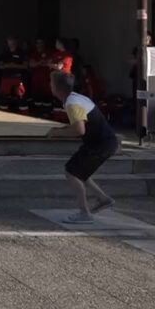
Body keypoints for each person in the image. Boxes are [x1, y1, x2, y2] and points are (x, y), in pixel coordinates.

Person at [47, 71, 118, 223]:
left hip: (100, 144)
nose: (49, 85)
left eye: (51, 83)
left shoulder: (72, 103)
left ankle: (84, 213)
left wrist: (57, 133)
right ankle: (103, 198)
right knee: (79, 172)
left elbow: (79, 130)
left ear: (57, 88)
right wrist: (61, 130)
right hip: (102, 142)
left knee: (71, 172)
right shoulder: (76, 98)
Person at [0, 37, 28, 112]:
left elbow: (25, 66)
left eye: (12, 42)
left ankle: (24, 112)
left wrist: (14, 65)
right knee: (4, 97)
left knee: (21, 96)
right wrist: (9, 65)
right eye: (9, 42)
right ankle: (3, 112)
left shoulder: (21, 53)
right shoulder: (4, 53)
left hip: (18, 78)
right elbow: (1, 66)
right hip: (6, 78)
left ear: (16, 42)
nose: (11, 44)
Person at [29, 38, 52, 114]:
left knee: (47, 98)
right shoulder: (33, 53)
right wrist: (40, 63)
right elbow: (31, 64)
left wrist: (38, 63)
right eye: (38, 43)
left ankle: (47, 114)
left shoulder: (48, 52)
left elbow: (49, 63)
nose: (39, 45)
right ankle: (37, 114)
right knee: (37, 98)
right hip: (36, 80)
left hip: (46, 80)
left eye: (41, 43)